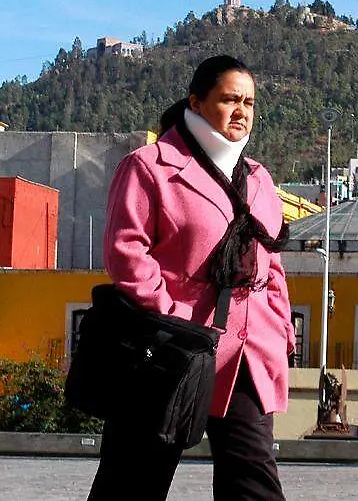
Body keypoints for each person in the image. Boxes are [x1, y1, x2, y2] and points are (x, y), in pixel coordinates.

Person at [89, 55, 294, 501]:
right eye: (229, 99)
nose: (242, 111)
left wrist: (279, 328)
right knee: (135, 480)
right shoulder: (150, 166)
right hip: (170, 352)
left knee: (254, 483)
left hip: (247, 352)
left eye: (250, 102)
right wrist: (171, 318)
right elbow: (126, 251)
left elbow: (270, 262)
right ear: (197, 103)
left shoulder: (258, 179)